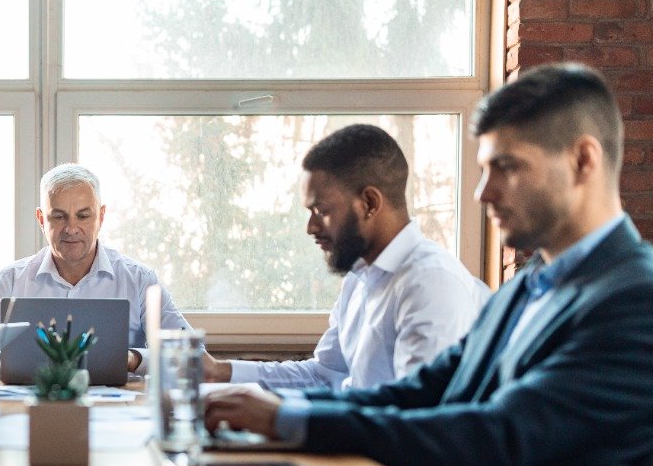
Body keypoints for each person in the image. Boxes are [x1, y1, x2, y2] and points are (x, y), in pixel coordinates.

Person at [204, 63, 653, 466]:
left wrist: (292, 418)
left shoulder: (643, 305)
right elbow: (421, 391)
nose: (483, 192)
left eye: (505, 167)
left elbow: (496, 437)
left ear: (582, 160)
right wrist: (281, 417)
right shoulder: (529, 286)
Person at [203, 124, 490, 389]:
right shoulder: (359, 279)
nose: (311, 228)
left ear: (369, 203)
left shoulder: (430, 283)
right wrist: (220, 372)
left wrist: (282, 419)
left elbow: (416, 419)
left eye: (322, 211)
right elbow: (323, 376)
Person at [0, 163, 191, 372]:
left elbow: (190, 353)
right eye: (59, 216)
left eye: (83, 216)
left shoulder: (140, 280)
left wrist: (134, 359)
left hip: (118, 410)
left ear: (101, 217)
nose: (71, 228)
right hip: (29, 408)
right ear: (41, 220)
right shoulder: (9, 281)